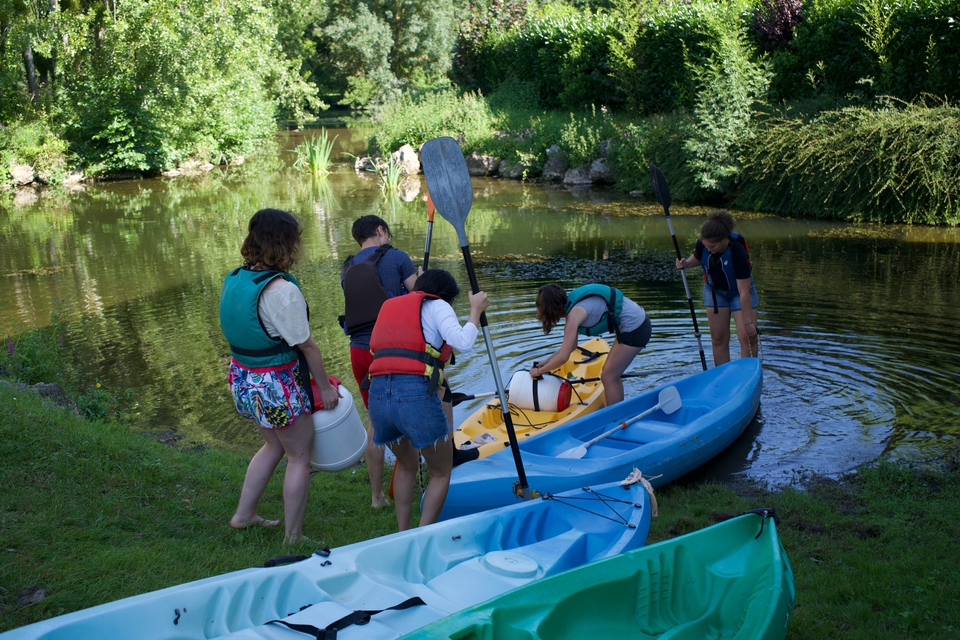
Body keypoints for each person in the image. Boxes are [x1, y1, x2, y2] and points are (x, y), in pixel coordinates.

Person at [219, 208, 340, 544]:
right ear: (287, 243)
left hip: (245, 380)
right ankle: (293, 536)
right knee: (299, 457)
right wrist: (327, 388)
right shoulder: (280, 291)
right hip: (276, 386)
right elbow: (308, 348)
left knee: (272, 444)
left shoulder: (235, 279)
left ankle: (244, 515)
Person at [366, 269, 488, 530]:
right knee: (441, 471)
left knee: (407, 463)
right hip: (413, 397)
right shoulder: (437, 304)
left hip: (378, 396)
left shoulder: (390, 304)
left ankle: (402, 533)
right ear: (445, 296)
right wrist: (475, 310)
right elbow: (463, 341)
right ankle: (422, 535)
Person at [341, 215, 417, 508]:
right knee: (405, 414)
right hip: (389, 350)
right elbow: (420, 294)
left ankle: (376, 497)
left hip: (358, 351)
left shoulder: (347, 268)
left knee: (376, 420)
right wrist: (421, 276)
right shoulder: (397, 257)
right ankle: (414, 474)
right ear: (381, 231)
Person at [533, 283, 651, 406]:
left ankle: (616, 419)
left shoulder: (574, 314)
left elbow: (563, 356)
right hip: (634, 324)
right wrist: (545, 362)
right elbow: (570, 348)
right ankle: (619, 411)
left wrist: (539, 372)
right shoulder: (572, 307)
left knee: (608, 377)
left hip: (636, 329)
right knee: (612, 375)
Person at [676, 209, 759, 365]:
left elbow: (744, 291)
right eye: (706, 245)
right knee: (718, 337)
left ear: (724, 240)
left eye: (712, 246)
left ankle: (746, 374)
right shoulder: (703, 244)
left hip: (739, 293)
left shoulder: (737, 251)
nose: (709, 249)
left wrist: (748, 322)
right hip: (714, 293)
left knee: (747, 337)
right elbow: (698, 258)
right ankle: (723, 376)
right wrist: (685, 263)